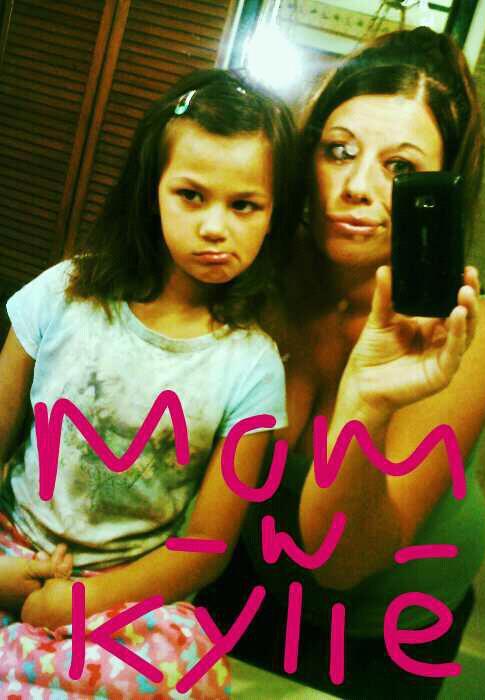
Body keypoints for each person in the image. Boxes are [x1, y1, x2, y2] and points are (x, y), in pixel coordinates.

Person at [195, 27, 485, 698]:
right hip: (246, 589)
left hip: (384, 632)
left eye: (400, 169)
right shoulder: (257, 272)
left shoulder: (460, 331)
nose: (358, 186)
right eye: (339, 151)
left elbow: (340, 561)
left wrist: (367, 401)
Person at [0, 69, 298, 697]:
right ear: (151, 191)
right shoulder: (61, 294)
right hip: (12, 548)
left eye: (244, 205)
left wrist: (78, 600)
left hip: (129, 594)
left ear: (274, 215)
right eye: (191, 195)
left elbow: (206, 547)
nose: (215, 226)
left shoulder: (252, 366)